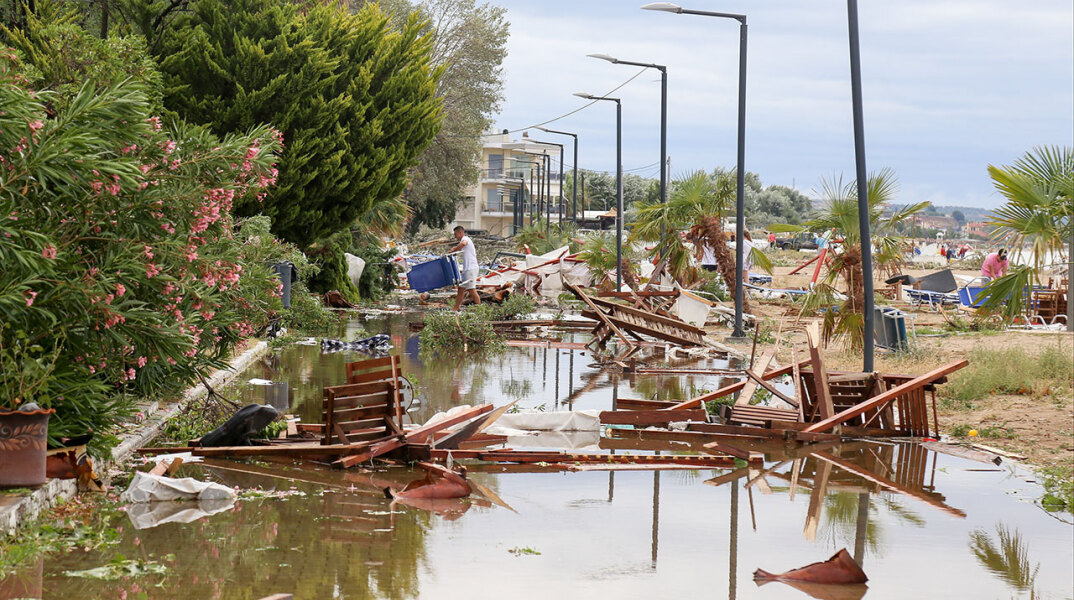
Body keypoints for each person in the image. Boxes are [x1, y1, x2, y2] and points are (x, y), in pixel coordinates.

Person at [450, 226, 480, 311]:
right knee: (461, 289)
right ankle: (455, 309)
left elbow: (463, 244)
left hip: (471, 268)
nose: (455, 236)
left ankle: (480, 310)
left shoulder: (465, 238)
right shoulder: (464, 239)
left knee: (471, 290)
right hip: (467, 269)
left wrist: (455, 249)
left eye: (456, 234)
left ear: (460, 233)